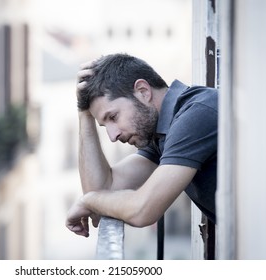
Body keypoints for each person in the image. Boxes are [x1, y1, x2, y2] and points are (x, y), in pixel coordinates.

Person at [65, 53, 217, 238]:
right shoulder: (161, 134)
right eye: (105, 125)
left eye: (113, 117)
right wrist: (84, 114)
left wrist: (88, 201)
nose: (113, 136)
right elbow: (102, 188)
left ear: (143, 91)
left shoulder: (195, 115)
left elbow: (142, 210)